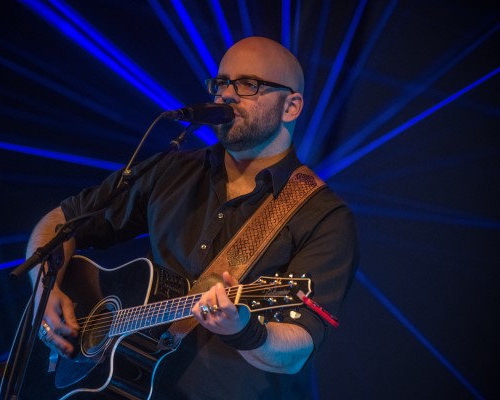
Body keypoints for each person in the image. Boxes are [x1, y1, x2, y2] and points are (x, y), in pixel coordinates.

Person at [26, 36, 358, 399]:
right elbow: (63, 221)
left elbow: (297, 350)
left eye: (249, 85)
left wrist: (242, 328)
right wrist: (46, 288)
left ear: (291, 106)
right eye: (221, 83)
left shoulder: (324, 216)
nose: (227, 95)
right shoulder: (171, 169)